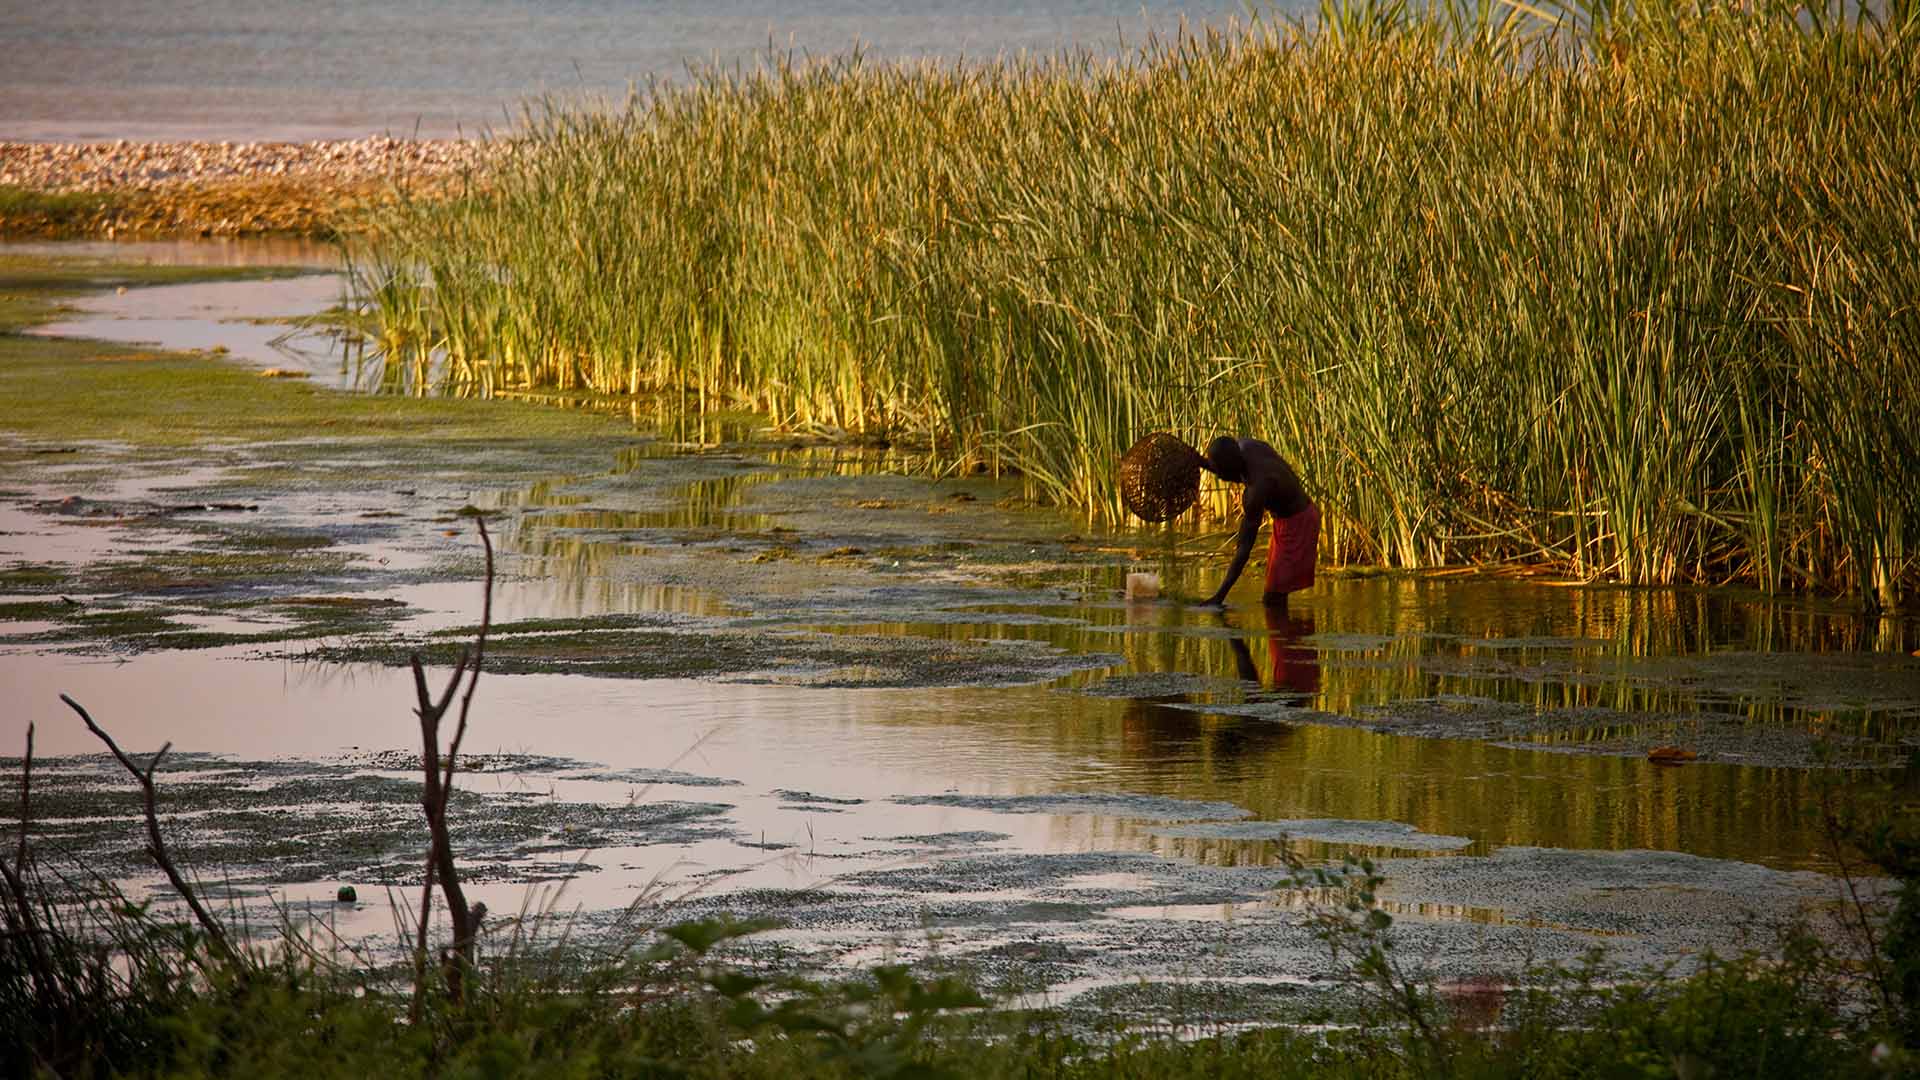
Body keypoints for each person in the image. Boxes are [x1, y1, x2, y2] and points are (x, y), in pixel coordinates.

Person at [1196, 436, 1319, 607]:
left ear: (1230, 468)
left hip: (1298, 524)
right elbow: (1233, 472)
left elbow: (1244, 549)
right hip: (1287, 520)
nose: (1218, 476)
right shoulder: (1246, 447)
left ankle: (1290, 632)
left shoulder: (1258, 488)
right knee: (1273, 595)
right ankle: (1285, 631)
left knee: (1274, 598)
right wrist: (1199, 461)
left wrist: (1219, 596)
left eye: (1220, 472)